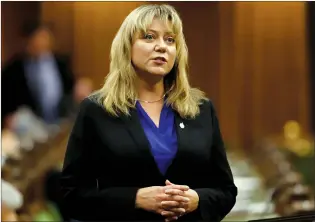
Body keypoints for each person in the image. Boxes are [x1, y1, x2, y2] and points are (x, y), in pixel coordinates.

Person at [60, 4, 237, 222]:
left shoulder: (201, 109)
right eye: (149, 37)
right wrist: (135, 198)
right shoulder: (97, 110)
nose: (161, 47)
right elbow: (71, 195)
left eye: (170, 40)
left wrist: (197, 200)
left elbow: (226, 191)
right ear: (127, 46)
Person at [1, 24, 91, 128]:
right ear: (27, 42)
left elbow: (72, 85)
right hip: (29, 125)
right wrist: (6, 117)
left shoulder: (60, 63)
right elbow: (5, 97)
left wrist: (80, 86)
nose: (40, 43)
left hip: (61, 122)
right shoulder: (14, 68)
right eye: (36, 39)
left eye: (44, 39)